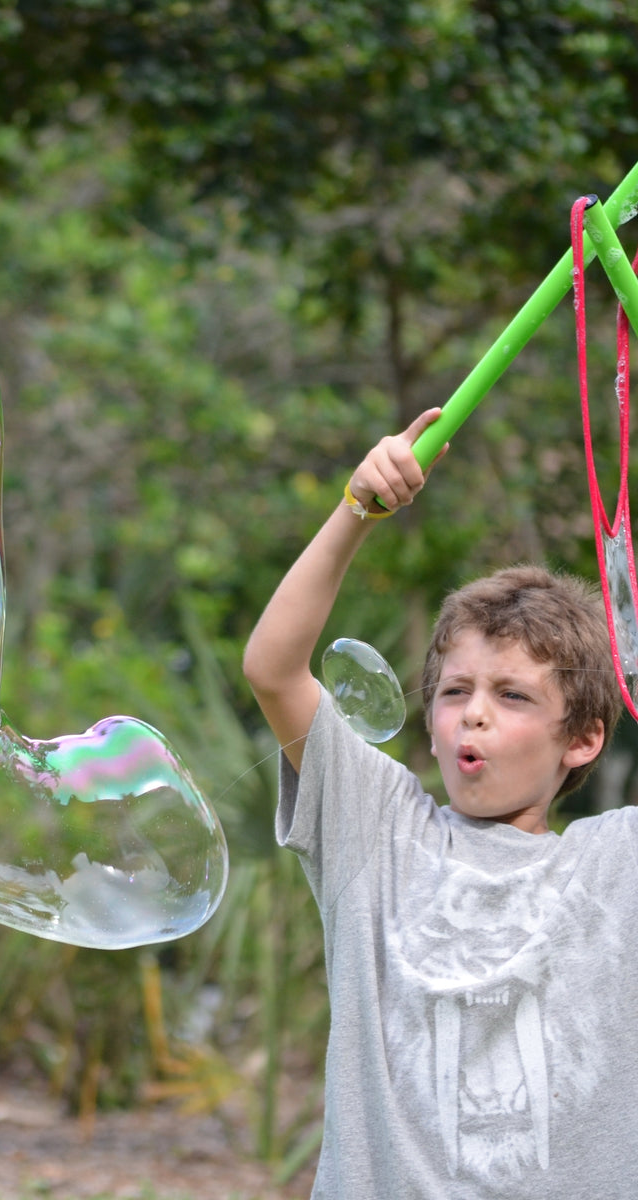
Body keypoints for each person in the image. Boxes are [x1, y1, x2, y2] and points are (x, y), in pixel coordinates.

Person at [242, 409, 637, 1199]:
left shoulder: (617, 863)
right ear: (431, 721)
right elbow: (274, 669)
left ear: (584, 739)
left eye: (513, 695)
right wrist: (357, 508)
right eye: (455, 691)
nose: (475, 712)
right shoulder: (376, 832)